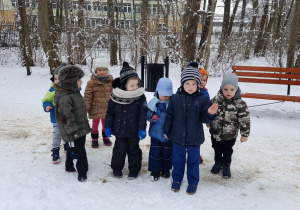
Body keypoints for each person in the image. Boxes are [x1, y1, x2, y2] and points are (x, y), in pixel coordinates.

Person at [163, 66, 218, 195]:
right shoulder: (175, 98)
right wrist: (167, 130)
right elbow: (170, 116)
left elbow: (205, 118)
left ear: (198, 84)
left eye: (194, 84)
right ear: (182, 83)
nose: (191, 86)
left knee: (193, 161)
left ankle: (193, 181)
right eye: (187, 83)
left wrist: (210, 114)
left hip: (195, 137)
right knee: (178, 160)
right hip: (177, 136)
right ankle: (177, 179)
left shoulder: (202, 99)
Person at [105, 62, 147, 180]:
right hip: (119, 129)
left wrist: (142, 128)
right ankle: (117, 168)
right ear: (124, 85)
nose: (135, 87)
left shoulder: (140, 97)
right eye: (132, 85)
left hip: (134, 130)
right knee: (119, 150)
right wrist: (107, 126)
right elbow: (110, 113)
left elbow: (143, 113)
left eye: (137, 84)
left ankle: (134, 170)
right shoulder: (115, 96)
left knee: (134, 150)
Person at [209, 72, 250, 179]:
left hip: (230, 135)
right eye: (226, 89)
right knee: (217, 149)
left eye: (232, 90)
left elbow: (244, 119)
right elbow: (209, 112)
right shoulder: (215, 100)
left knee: (227, 151)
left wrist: (244, 134)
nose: (228, 92)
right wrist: (208, 122)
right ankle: (218, 163)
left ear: (236, 89)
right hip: (216, 132)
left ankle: (226, 165)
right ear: (222, 88)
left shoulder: (240, 104)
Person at [54, 65, 90, 182]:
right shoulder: (65, 98)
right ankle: (82, 171)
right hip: (74, 131)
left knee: (72, 148)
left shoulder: (73, 92)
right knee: (79, 151)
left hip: (79, 128)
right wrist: (73, 131)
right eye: (79, 80)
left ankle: (69, 166)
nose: (81, 82)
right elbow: (66, 117)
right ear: (71, 82)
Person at [147, 78, 173, 181]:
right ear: (157, 92)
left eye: (168, 95)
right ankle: (155, 170)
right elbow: (147, 115)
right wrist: (151, 116)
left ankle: (166, 169)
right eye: (163, 95)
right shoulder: (153, 103)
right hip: (156, 133)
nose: (165, 97)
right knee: (155, 152)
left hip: (169, 135)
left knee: (168, 153)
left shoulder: (172, 104)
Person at [84, 58, 113, 148]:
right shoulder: (91, 83)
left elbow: (114, 93)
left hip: (107, 107)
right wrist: (86, 106)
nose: (102, 72)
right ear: (96, 71)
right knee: (95, 124)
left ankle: (105, 137)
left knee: (106, 124)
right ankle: (95, 139)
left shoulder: (111, 82)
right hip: (95, 107)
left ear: (107, 70)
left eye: (104, 70)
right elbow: (88, 96)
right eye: (99, 70)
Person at [42, 62, 67, 164]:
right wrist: (47, 106)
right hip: (56, 117)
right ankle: (55, 151)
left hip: (68, 117)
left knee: (67, 132)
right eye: (55, 79)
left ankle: (67, 146)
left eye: (60, 79)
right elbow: (46, 99)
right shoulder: (53, 89)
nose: (57, 81)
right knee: (57, 134)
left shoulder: (71, 90)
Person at [199, 67, 210, 164]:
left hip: (199, 119)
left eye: (204, 80)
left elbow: (207, 107)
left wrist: (207, 120)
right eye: (200, 79)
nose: (202, 82)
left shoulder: (205, 93)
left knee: (196, 137)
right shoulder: (191, 89)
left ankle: (196, 153)